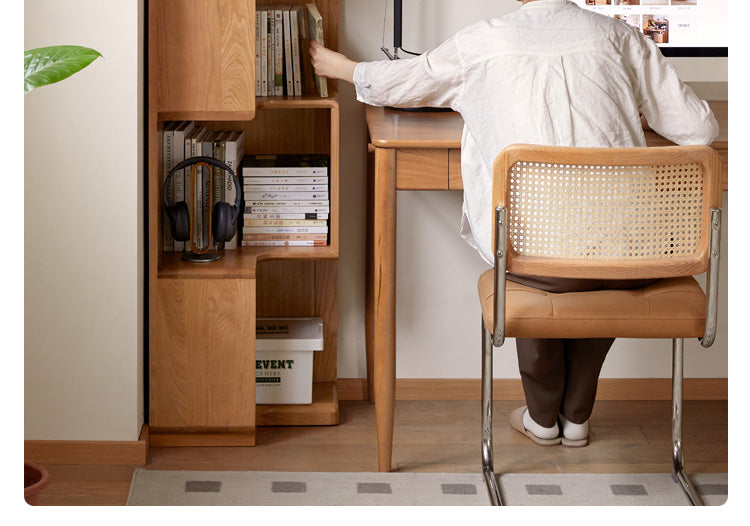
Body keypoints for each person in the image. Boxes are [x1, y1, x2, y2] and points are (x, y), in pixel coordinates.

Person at [309, 0, 718, 446]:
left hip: (533, 260)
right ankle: (576, 414)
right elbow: (699, 129)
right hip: (628, 258)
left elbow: (403, 83)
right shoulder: (620, 37)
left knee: (541, 253)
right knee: (605, 259)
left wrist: (345, 67)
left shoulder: (482, 41)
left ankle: (543, 417)